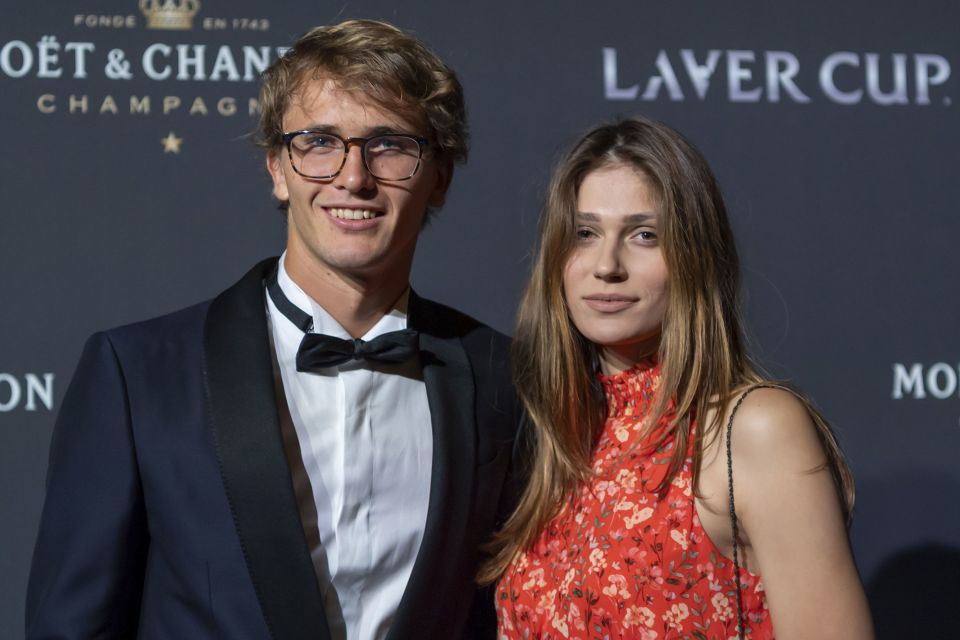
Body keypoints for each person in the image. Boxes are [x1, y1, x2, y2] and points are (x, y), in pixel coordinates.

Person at [26, 20, 520, 640]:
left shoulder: (507, 380)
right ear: (278, 169)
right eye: (319, 142)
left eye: (390, 144)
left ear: (439, 175)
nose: (353, 177)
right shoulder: (138, 374)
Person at [484, 117, 874, 639]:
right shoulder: (556, 439)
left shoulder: (754, 428)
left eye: (645, 235)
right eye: (584, 233)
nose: (607, 264)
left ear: (693, 256)